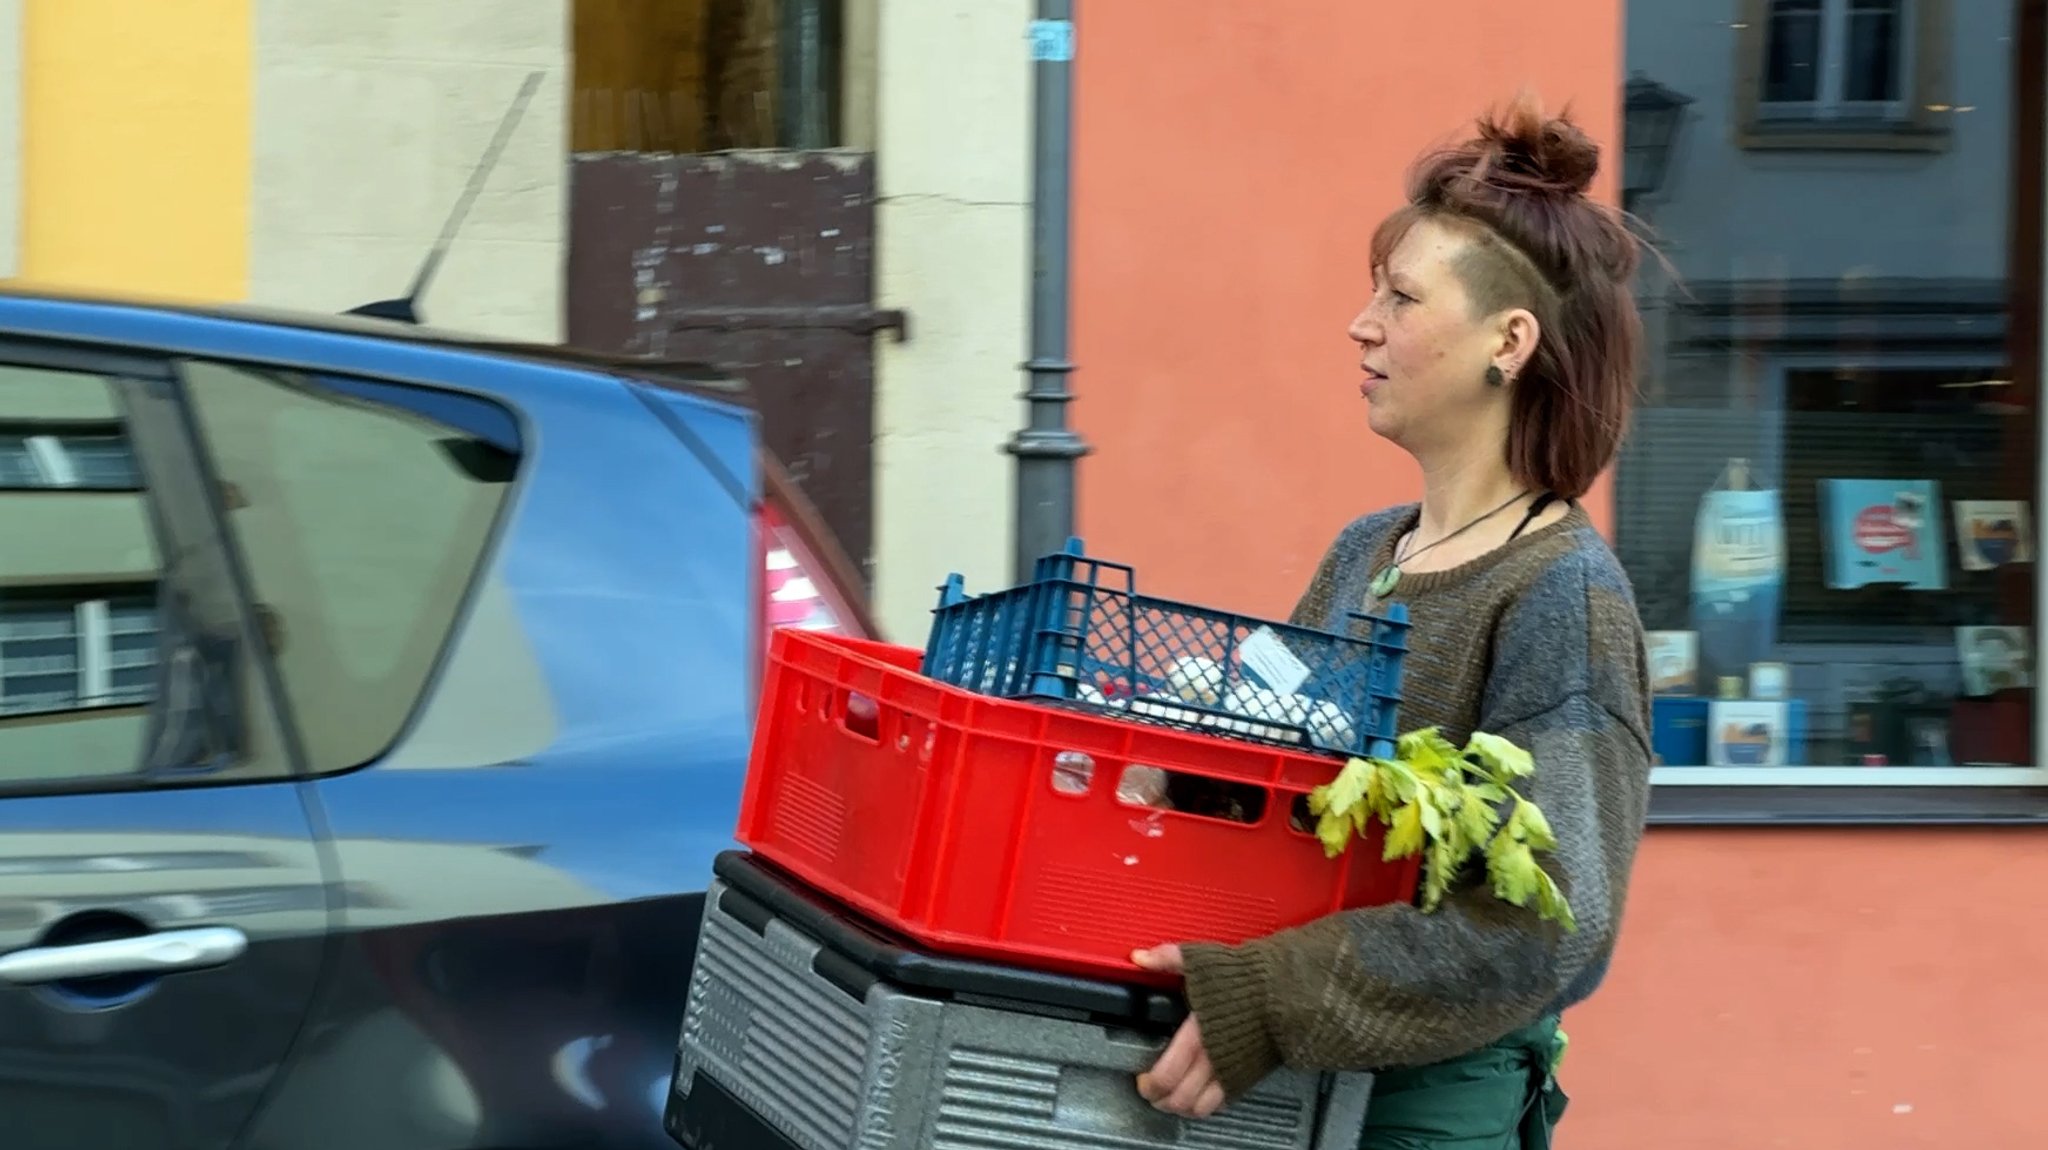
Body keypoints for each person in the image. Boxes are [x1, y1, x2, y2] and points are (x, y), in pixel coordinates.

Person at [1129, 94, 1656, 1148]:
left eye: (1402, 298)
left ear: (1507, 341)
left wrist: (1271, 997)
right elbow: (1261, 748)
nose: (1361, 323)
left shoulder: (1561, 597)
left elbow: (1551, 927)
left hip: (1423, 1121)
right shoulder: (1364, 549)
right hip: (1306, 1104)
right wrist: (1162, 771)